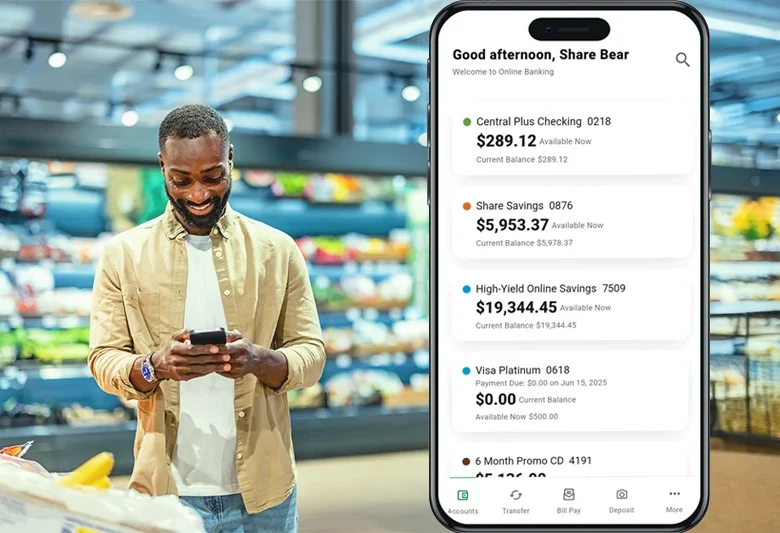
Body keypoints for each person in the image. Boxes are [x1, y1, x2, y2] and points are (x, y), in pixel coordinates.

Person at [88, 103, 326, 533]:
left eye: (213, 177)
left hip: (264, 496)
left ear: (231, 159)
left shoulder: (278, 250)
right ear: (162, 167)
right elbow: (104, 359)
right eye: (181, 180)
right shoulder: (122, 254)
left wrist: (259, 360)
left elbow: (311, 353)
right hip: (166, 495)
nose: (199, 194)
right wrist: (154, 365)